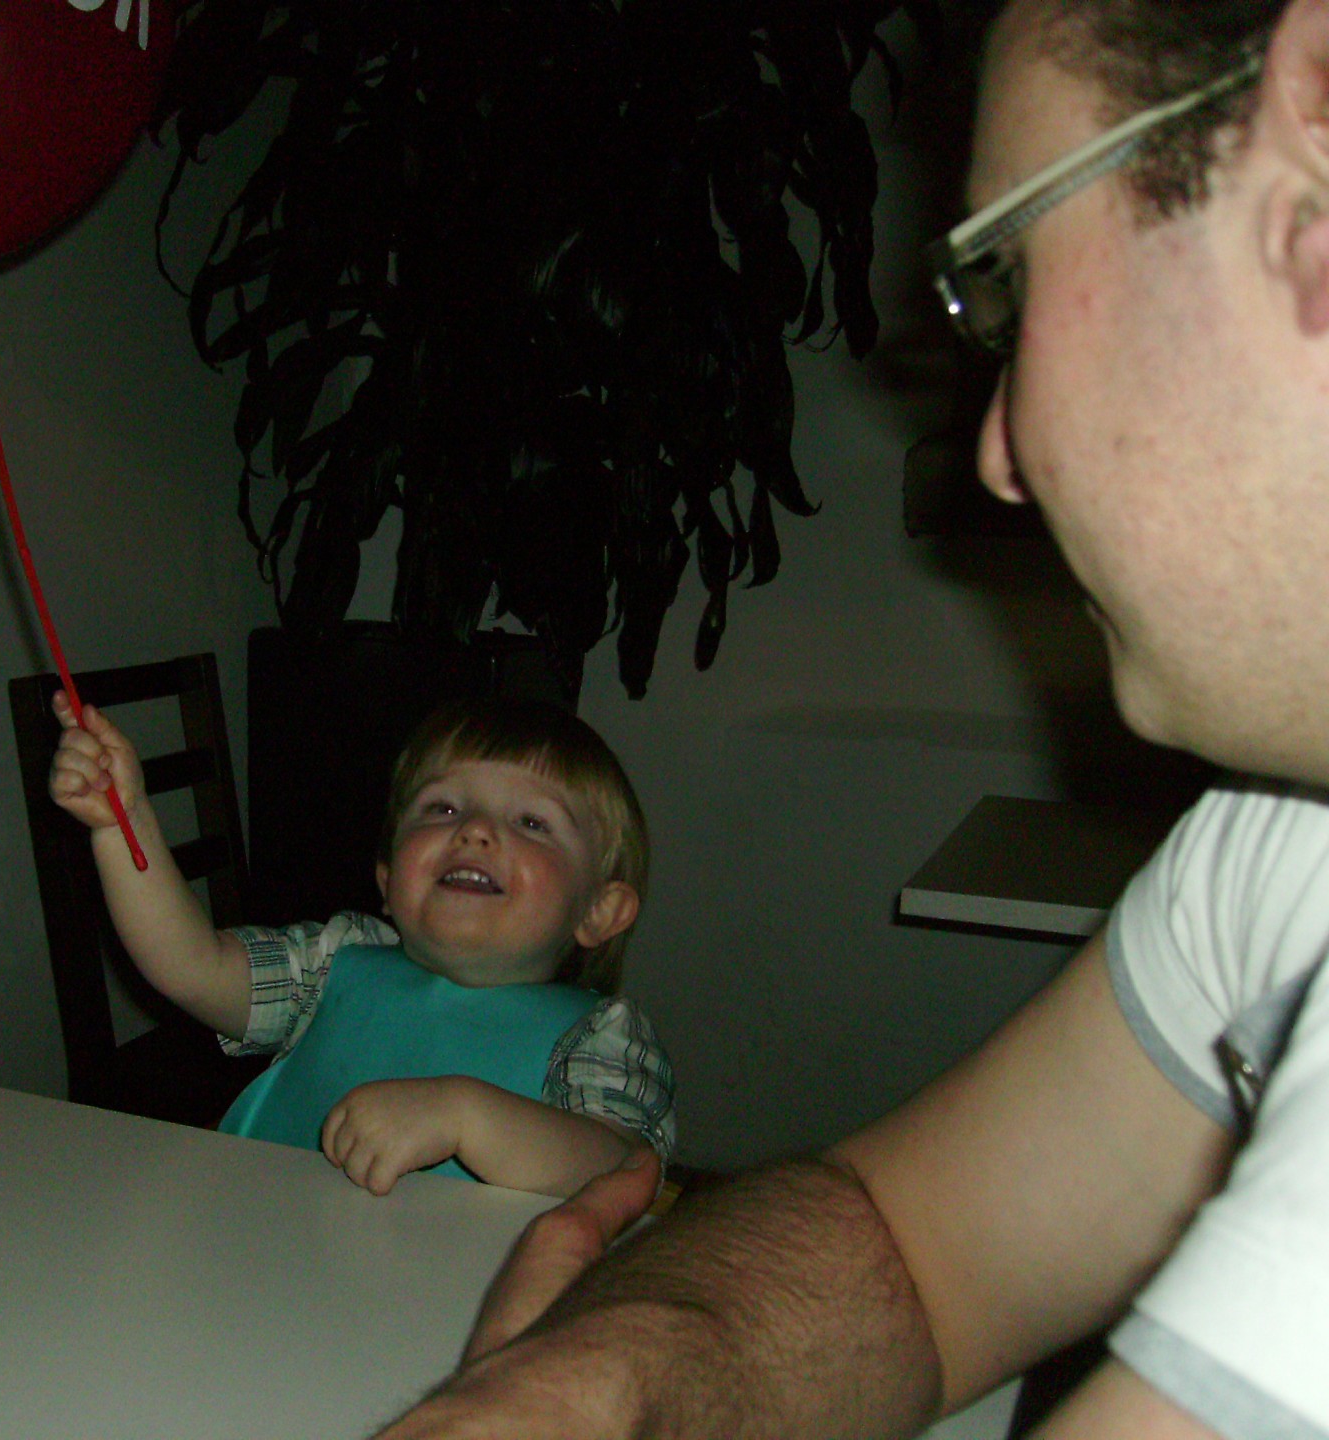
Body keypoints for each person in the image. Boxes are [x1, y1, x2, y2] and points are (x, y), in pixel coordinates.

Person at [368, 0, 1329, 1436]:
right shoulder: (1280, 845)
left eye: (1006, 280)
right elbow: (908, 1250)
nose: (998, 453)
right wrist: (599, 1378)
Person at [51, 692, 677, 1197]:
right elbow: (191, 965)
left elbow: (624, 1170)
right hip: (246, 1256)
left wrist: (466, 1116)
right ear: (388, 879)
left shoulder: (601, 1036)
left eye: (532, 822)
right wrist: (123, 821)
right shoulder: (333, 961)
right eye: (443, 809)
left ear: (599, 912)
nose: (476, 831)